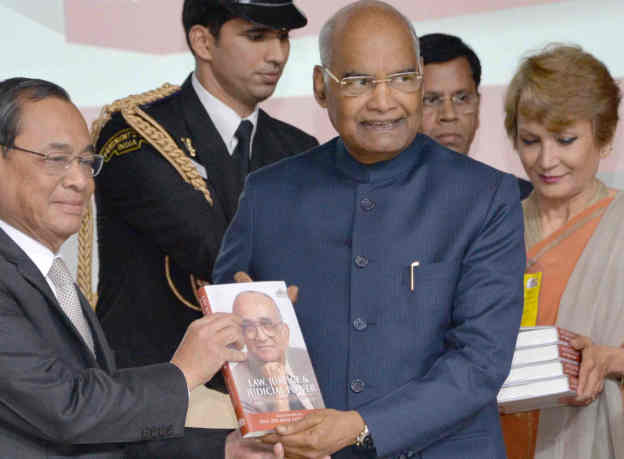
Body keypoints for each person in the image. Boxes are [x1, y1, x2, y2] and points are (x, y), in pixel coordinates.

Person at [0, 77, 276, 459]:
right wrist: (183, 372)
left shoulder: (51, 280)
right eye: (56, 158)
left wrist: (225, 448)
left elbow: (106, 433)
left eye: (85, 161)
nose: (81, 180)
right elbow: (70, 413)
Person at [213, 1, 525, 457]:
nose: (383, 101)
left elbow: (480, 363)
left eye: (402, 79)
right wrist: (235, 327)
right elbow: (223, 337)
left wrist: (363, 426)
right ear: (322, 87)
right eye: (358, 82)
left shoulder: (485, 197)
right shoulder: (268, 195)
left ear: (420, 80)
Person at [85, 0, 318, 443]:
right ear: (202, 41)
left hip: (270, 396)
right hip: (163, 404)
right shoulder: (136, 132)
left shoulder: (298, 148)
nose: (278, 55)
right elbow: (216, 249)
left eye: (283, 37)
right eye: (257, 36)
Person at [499, 44, 624, 459]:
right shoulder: (492, 229)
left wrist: (609, 360)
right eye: (531, 140)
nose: (546, 160)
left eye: (565, 139)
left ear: (604, 137)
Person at [419, 32, 533, 199]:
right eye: (431, 100)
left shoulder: (519, 199)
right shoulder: (375, 201)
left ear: (477, 106)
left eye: (462, 98)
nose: (449, 114)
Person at [231, 290, 325, 414]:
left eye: (267, 325)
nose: (261, 337)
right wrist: (280, 393)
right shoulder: (238, 381)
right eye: (249, 327)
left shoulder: (308, 358)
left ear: (284, 332)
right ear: (241, 336)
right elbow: (276, 432)